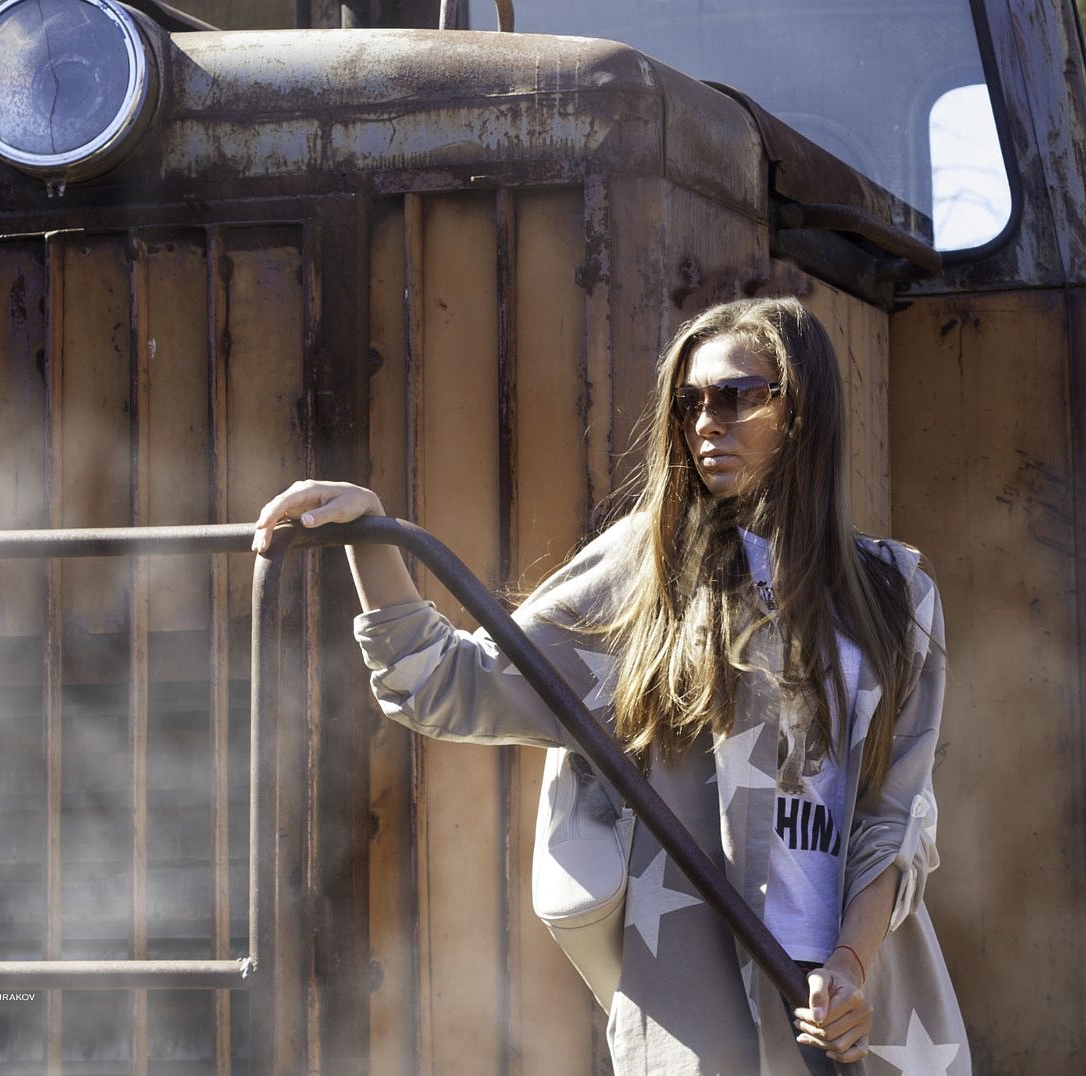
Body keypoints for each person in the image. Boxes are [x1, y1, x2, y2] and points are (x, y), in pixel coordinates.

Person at [253, 298, 970, 1075]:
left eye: (733, 396)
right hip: (705, 1012)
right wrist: (373, 535)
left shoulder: (895, 593)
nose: (704, 423)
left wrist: (852, 968)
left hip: (860, 1015)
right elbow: (448, 684)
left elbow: (895, 821)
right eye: (688, 402)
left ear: (799, 410)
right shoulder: (649, 570)